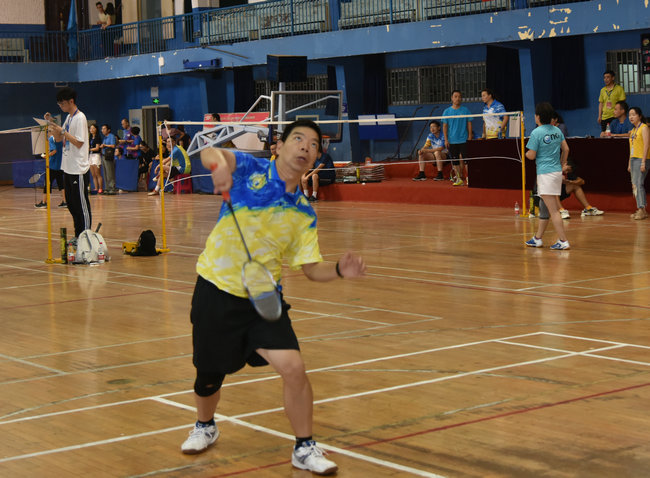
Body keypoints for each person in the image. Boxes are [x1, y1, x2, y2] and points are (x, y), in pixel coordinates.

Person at [182, 119, 365, 475]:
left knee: (294, 368)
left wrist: (339, 270)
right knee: (208, 375)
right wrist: (219, 167)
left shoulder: (303, 213)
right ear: (278, 147)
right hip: (216, 288)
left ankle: (304, 447)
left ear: (315, 158)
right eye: (298, 139)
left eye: (313, 144)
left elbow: (310, 268)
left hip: (263, 299)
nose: (306, 147)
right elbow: (210, 153)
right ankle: (205, 425)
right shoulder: (250, 169)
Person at [44, 87, 91, 240]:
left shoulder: (80, 118)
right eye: (59, 104)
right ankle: (78, 235)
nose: (61, 107)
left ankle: (86, 236)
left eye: (62, 104)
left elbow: (78, 142)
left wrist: (62, 131)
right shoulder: (69, 118)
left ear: (71, 101)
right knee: (72, 205)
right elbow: (59, 139)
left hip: (78, 169)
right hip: (68, 168)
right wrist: (50, 124)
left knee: (81, 206)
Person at [525, 102, 570, 250]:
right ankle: (537, 238)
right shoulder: (557, 130)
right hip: (556, 173)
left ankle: (563, 241)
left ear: (538, 117)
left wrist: (525, 154)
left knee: (554, 210)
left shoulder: (536, 132)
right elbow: (566, 149)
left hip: (546, 174)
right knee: (544, 207)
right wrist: (562, 164)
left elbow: (531, 155)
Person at [442, 90, 473, 186]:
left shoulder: (465, 110)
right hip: (452, 140)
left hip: (464, 139)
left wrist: (470, 136)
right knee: (455, 161)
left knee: (466, 160)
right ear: (452, 98)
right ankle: (458, 179)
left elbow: (469, 123)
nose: (458, 98)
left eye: (459, 96)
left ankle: (469, 178)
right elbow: (445, 126)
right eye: (455, 96)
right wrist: (446, 139)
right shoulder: (447, 111)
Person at [628, 106, 650, 220]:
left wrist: (643, 162)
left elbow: (646, 145)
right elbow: (631, 148)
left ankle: (641, 208)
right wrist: (629, 163)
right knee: (634, 185)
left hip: (642, 159)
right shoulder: (633, 130)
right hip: (633, 159)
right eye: (629, 115)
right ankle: (642, 210)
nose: (631, 117)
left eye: (633, 115)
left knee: (639, 183)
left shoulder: (644, 128)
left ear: (639, 116)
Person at [35, 132, 66, 209]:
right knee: (61, 185)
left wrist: (46, 155)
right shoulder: (61, 140)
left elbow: (54, 151)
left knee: (47, 185)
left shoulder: (51, 139)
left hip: (51, 167)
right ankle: (65, 202)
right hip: (60, 166)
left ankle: (44, 202)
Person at [100, 124, 117, 194]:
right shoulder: (104, 138)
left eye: (104, 129)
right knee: (105, 173)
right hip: (104, 156)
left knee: (110, 173)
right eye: (102, 129)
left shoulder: (111, 136)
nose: (102, 130)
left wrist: (105, 145)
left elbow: (113, 145)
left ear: (108, 130)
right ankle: (107, 188)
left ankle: (112, 188)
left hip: (109, 156)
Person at [88, 123, 104, 194]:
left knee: (98, 174)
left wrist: (89, 149)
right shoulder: (90, 138)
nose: (91, 129)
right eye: (90, 128)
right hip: (90, 156)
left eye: (93, 128)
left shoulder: (98, 138)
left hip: (96, 156)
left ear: (96, 129)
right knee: (93, 174)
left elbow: (97, 148)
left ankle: (100, 188)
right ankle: (96, 188)